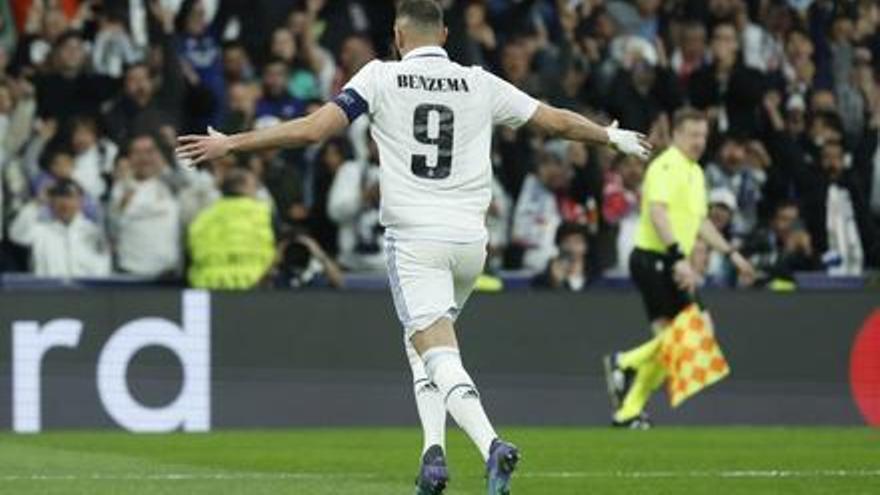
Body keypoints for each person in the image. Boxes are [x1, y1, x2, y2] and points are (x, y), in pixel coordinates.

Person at [176, 1, 650, 493]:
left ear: (398, 37)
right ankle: (433, 456)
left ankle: (491, 444)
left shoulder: (379, 77)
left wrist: (233, 143)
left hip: (415, 241)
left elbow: (315, 130)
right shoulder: (479, 82)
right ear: (443, 35)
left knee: (437, 352)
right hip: (470, 244)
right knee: (423, 345)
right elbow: (552, 121)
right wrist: (610, 137)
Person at [603, 108, 755, 429]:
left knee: (674, 342)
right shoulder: (666, 165)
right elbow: (658, 214)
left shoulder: (695, 172)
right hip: (654, 259)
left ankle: (628, 408)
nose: (700, 141)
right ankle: (624, 365)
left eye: (703, 135)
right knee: (695, 331)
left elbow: (699, 223)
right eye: (693, 135)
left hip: (669, 261)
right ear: (676, 135)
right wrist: (678, 257)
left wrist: (731, 254)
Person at [187, 167, 275, 289]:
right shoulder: (265, 214)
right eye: (256, 186)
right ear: (245, 186)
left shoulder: (202, 218)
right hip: (255, 288)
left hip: (210, 289)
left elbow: (190, 253)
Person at [9, 179, 111, 278]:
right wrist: (38, 202)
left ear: (80, 201)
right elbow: (16, 234)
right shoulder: (41, 231)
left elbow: (102, 271)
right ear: (51, 203)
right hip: (48, 293)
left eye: (70, 197)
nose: (65, 203)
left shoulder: (93, 232)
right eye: (59, 197)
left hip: (85, 293)